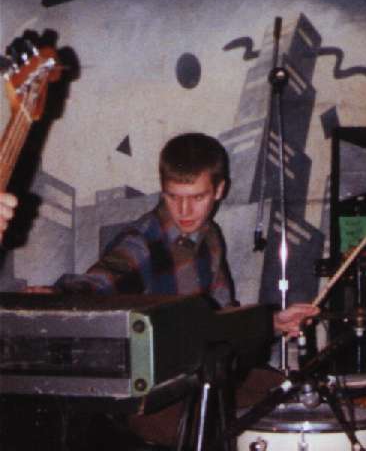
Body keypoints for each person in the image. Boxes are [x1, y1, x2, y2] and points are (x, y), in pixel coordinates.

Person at [18, 132, 317, 448]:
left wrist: (273, 323)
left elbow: (223, 318)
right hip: (154, 394)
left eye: (197, 197)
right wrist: (59, 296)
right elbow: (102, 280)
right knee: (217, 427)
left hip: (201, 376)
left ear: (220, 190)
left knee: (293, 391)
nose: (185, 211)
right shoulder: (143, 240)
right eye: (173, 197)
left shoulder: (211, 236)